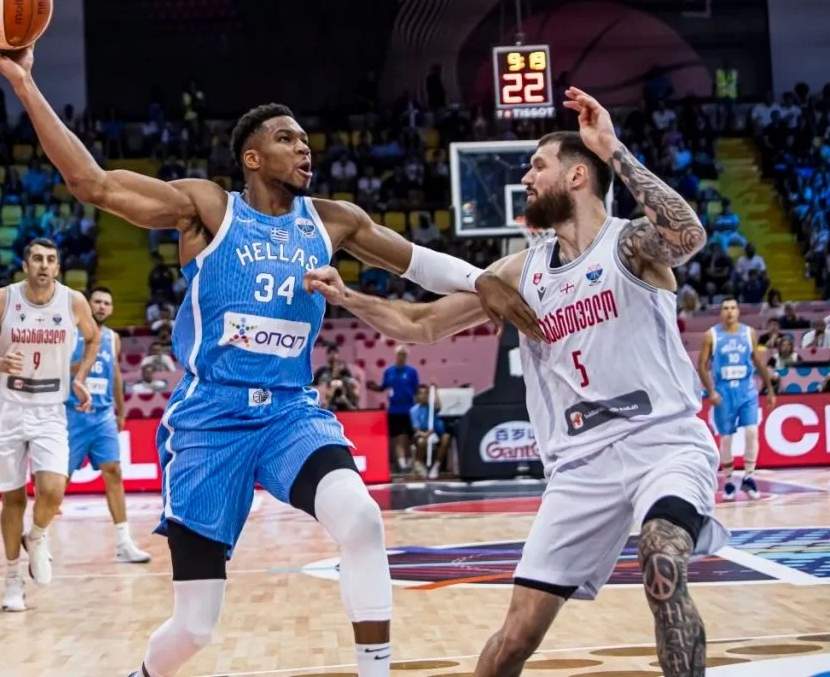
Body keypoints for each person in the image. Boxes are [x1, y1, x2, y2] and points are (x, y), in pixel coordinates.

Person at [0, 18, 541, 677]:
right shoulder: (209, 209)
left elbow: (420, 265)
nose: (304, 148)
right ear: (252, 158)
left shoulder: (333, 220)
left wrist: (486, 281)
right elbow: (92, 183)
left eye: (305, 139)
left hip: (291, 412)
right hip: (211, 419)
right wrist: (25, 83)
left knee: (361, 519)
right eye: (286, 139)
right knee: (195, 626)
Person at [303, 87, 730, 677]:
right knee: (513, 640)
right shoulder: (519, 271)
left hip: (664, 443)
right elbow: (422, 324)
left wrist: (615, 149)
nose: (525, 177)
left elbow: (689, 237)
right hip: (579, 466)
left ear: (577, 175)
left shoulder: (629, 245)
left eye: (537, 165)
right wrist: (348, 297)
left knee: (661, 556)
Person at [0, 238, 98, 612]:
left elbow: (94, 338)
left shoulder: (73, 301)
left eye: (51, 260)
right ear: (25, 265)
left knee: (53, 490)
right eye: (37, 259)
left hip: (50, 407)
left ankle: (37, 536)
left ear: (58, 267)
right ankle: (12, 578)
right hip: (7, 407)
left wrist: (80, 377)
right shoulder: (3, 299)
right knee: (12, 498)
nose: (44, 265)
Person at [65, 286, 151, 563]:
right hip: (72, 413)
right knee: (57, 481)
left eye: (106, 303)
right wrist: (77, 368)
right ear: (88, 305)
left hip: (102, 415)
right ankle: (37, 538)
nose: (102, 306)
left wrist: (121, 410)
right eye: (97, 302)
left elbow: (115, 373)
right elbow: (54, 368)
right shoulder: (70, 332)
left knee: (113, 471)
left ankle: (124, 542)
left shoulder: (113, 337)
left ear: (111, 309)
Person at [697, 298, 775, 501]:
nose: (729, 312)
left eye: (733, 308)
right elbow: (701, 365)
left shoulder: (749, 333)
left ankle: (749, 477)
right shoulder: (711, 335)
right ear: (721, 312)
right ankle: (730, 481)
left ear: (738, 311)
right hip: (724, 391)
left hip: (746, 389)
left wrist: (770, 388)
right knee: (726, 438)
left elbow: (758, 361)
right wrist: (711, 391)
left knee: (752, 431)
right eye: (725, 308)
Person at [410, 384, 449, 479]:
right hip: (422, 433)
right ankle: (419, 463)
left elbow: (439, 407)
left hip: (435, 432)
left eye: (426, 393)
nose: (423, 396)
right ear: (417, 396)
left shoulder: (432, 407)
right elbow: (416, 430)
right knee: (422, 441)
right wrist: (426, 434)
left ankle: (436, 466)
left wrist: (435, 391)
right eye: (421, 393)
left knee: (446, 438)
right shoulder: (414, 410)